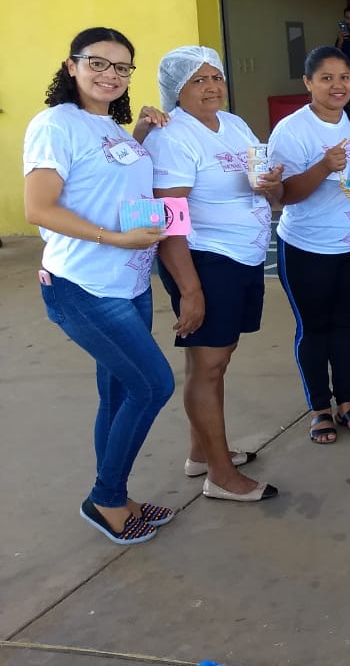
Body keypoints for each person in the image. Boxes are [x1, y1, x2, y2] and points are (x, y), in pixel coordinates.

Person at [23, 28, 175, 544]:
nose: (111, 74)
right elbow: (38, 208)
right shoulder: (54, 124)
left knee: (117, 394)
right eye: (98, 63)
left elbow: (101, 178)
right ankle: (105, 498)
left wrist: (140, 136)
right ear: (72, 66)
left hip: (129, 283)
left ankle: (118, 495)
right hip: (84, 286)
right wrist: (117, 238)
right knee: (153, 385)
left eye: (122, 67)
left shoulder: (106, 125)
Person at [147, 46, 281, 501]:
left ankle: (201, 454)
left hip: (241, 255)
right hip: (206, 259)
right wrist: (190, 290)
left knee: (211, 362)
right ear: (175, 90)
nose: (211, 87)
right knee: (209, 366)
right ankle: (221, 476)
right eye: (198, 81)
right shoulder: (173, 136)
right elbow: (169, 219)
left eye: (216, 77)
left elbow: (257, 174)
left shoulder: (234, 124)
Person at [269, 46, 350, 444]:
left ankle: (347, 402)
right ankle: (320, 407)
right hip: (309, 248)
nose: (338, 86)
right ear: (308, 83)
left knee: (346, 326)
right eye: (327, 78)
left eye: (345, 78)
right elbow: (284, 195)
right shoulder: (292, 130)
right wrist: (323, 167)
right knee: (314, 329)